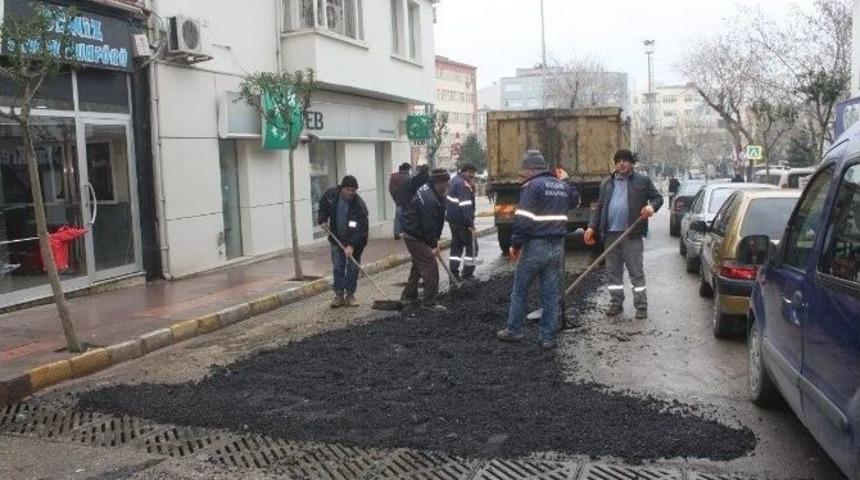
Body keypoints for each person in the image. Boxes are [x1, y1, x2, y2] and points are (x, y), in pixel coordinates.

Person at [497, 151, 579, 349]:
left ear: (532, 169)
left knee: (520, 290)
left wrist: (515, 245)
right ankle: (548, 338)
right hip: (557, 247)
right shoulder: (561, 185)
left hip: (535, 246)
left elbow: (524, 220)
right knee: (550, 294)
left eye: (523, 171)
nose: (521, 175)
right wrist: (569, 181)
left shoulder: (532, 186)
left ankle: (514, 331)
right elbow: (575, 201)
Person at [584, 149, 663, 320]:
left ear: (631, 164)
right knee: (613, 272)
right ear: (615, 163)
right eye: (619, 160)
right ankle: (616, 303)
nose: (622, 163)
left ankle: (641, 306)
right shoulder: (606, 183)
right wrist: (591, 227)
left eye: (625, 160)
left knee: (636, 272)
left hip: (631, 234)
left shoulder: (642, 181)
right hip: (610, 235)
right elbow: (599, 208)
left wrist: (651, 207)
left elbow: (658, 198)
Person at [401, 168, 451, 312]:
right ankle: (429, 301)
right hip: (414, 235)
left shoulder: (436, 192)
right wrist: (433, 244)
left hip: (418, 233)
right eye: (445, 183)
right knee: (430, 265)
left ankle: (409, 295)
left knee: (418, 264)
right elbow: (428, 224)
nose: (447, 186)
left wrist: (436, 238)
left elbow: (439, 219)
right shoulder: (428, 198)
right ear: (438, 182)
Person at [317, 175, 369, 308]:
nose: (351, 193)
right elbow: (323, 206)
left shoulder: (359, 206)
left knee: (352, 268)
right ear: (342, 189)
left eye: (353, 190)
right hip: (336, 238)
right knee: (338, 267)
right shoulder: (332, 195)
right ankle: (339, 295)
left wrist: (351, 245)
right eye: (348, 190)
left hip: (355, 242)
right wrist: (322, 219)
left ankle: (350, 295)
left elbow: (362, 229)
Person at [446, 164, 478, 280]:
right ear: (464, 172)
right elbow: (465, 206)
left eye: (473, 173)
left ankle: (453, 273)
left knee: (456, 246)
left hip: (453, 220)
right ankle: (467, 274)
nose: (472, 176)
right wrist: (470, 224)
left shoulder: (454, 180)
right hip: (463, 221)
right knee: (472, 246)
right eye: (470, 173)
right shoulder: (463, 184)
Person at [388, 162, 412, 240]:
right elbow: (411, 190)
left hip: (398, 201)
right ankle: (405, 232)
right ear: (407, 169)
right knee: (406, 217)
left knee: (397, 217)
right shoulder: (409, 178)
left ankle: (396, 233)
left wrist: (395, 198)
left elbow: (391, 190)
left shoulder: (394, 177)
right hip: (407, 201)